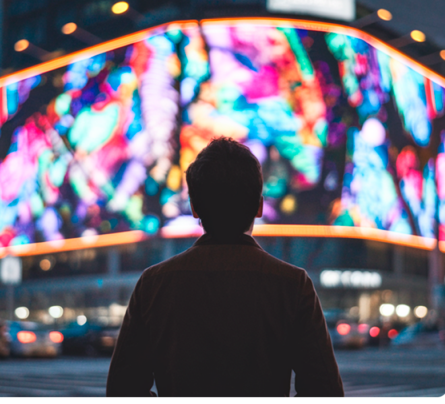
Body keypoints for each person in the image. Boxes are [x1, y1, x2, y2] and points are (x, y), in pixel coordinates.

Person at [106, 137, 344, 398]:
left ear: (194, 208)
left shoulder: (154, 284)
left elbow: (123, 389)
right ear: (259, 206)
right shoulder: (293, 285)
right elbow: (325, 390)